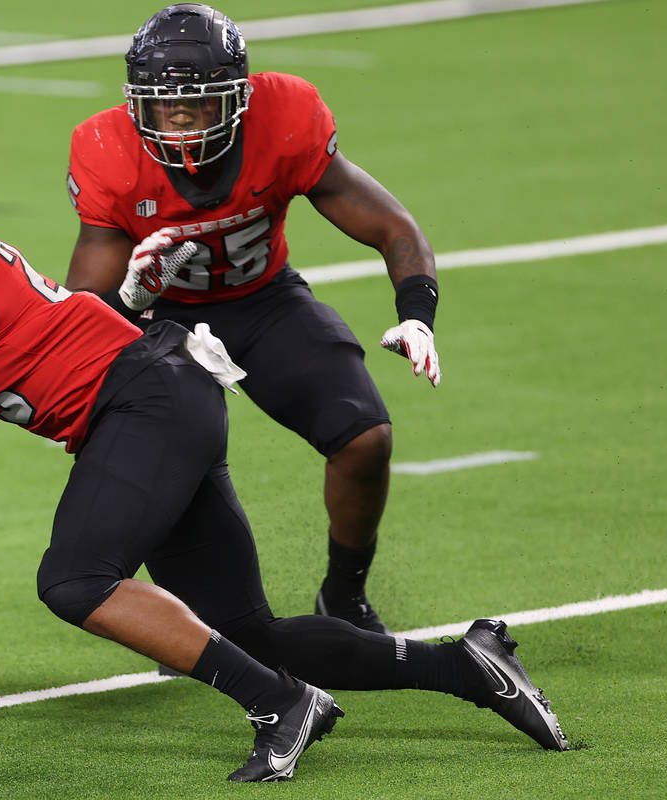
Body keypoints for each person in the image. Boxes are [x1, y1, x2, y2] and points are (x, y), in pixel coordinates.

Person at [0, 126, 569, 783]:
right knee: (247, 627)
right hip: (159, 395)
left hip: (144, 403)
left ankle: (283, 705)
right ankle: (468, 664)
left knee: (74, 581)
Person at [65, 3, 443, 634]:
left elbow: (391, 225)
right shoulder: (106, 149)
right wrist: (131, 296)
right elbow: (80, 320)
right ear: (135, 105)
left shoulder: (285, 117)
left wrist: (417, 316)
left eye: (197, 104)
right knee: (170, 475)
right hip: (161, 321)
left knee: (365, 438)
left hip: (264, 300)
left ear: (239, 98)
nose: (179, 122)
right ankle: (189, 627)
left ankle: (343, 595)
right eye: (163, 107)